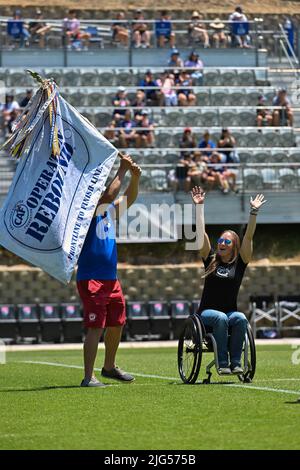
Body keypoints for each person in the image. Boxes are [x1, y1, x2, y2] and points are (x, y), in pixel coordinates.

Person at [77, 153, 142, 387]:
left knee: (117, 322)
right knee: (96, 326)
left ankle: (109, 367)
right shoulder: (87, 212)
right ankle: (88, 377)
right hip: (92, 278)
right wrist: (122, 170)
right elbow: (110, 194)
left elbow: (128, 199)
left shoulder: (106, 212)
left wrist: (134, 179)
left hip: (110, 279)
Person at [191, 187, 267, 374]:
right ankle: (222, 363)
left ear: (234, 247)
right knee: (220, 317)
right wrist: (199, 207)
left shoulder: (240, 263)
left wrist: (253, 212)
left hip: (230, 314)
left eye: (227, 242)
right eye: (220, 240)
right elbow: (201, 233)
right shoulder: (210, 259)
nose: (222, 243)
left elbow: (248, 236)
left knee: (240, 318)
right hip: (207, 315)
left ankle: (236, 363)